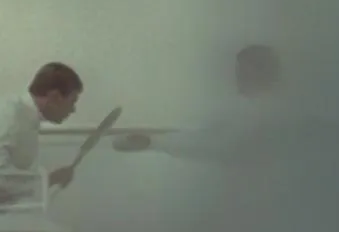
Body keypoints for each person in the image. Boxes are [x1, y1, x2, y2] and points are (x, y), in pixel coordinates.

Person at [0, 62, 84, 206]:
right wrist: (47, 180)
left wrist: (49, 180)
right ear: (55, 97)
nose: (73, 110)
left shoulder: (23, 118)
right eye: (72, 101)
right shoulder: (6, 115)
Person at [112, 44, 283, 159]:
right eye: (238, 72)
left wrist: (153, 142)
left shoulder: (265, 115)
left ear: (263, 74)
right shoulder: (244, 110)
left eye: (244, 72)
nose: (238, 78)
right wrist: (153, 139)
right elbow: (204, 136)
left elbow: (217, 147)